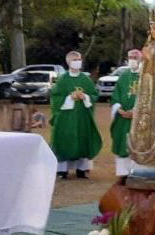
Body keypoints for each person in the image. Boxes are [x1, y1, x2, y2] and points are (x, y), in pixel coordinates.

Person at [49, 51, 102, 179]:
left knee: (82, 139)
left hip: (82, 116)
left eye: (79, 59)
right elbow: (55, 97)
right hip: (66, 117)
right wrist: (69, 97)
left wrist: (85, 97)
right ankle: (62, 170)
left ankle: (82, 169)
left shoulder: (85, 79)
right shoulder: (62, 80)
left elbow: (94, 95)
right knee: (65, 139)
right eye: (74, 59)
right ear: (68, 62)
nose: (78, 61)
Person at [110, 49, 143, 177]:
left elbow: (151, 97)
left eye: (135, 57)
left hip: (140, 119)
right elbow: (115, 95)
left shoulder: (146, 76)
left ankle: (138, 172)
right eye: (130, 57)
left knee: (139, 145)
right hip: (122, 118)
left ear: (141, 59)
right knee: (122, 143)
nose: (132, 59)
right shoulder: (123, 76)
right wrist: (118, 109)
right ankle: (123, 173)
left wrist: (136, 111)